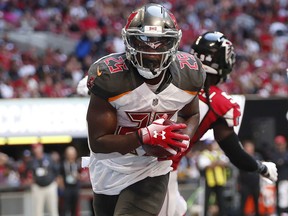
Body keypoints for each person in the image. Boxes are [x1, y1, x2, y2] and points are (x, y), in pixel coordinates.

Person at [85, 3, 206, 216]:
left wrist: (183, 138)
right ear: (127, 40)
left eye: (161, 42)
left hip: (152, 168)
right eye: (143, 40)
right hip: (110, 166)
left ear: (174, 42)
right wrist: (143, 136)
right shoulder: (110, 77)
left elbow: (192, 114)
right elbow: (98, 142)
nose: (151, 50)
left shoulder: (190, 74)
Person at [158, 31, 278, 216]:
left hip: (126, 157)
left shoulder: (164, 78)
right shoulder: (218, 102)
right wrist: (261, 167)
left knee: (179, 209)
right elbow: (235, 153)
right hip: (159, 170)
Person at [197, 140, 230, 216]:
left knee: (221, 202)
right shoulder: (204, 154)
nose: (212, 146)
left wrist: (215, 163)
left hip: (219, 181)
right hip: (209, 181)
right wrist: (217, 163)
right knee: (206, 201)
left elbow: (226, 163)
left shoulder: (218, 153)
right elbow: (204, 165)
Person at [27, 143, 60, 216]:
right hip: (37, 187)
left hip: (50, 185)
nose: (37, 150)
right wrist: (30, 179)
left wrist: (57, 182)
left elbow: (56, 170)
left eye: (38, 148)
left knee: (53, 210)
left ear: (41, 148)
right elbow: (28, 173)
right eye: (35, 148)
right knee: (37, 211)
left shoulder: (49, 158)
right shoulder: (32, 161)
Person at [237, 140, 262, 216]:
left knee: (256, 203)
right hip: (245, 184)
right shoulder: (241, 157)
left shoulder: (257, 156)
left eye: (250, 146)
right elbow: (238, 171)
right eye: (247, 147)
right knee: (243, 203)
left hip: (255, 183)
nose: (249, 148)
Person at [58, 146, 81, 216]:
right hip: (66, 188)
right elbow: (60, 176)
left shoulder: (78, 164)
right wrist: (62, 187)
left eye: (73, 154)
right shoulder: (63, 164)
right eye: (70, 154)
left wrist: (78, 176)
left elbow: (81, 175)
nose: (71, 156)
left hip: (75, 187)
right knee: (64, 207)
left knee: (74, 208)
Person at [271, 135, 288, 215]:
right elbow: (275, 163)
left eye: (281, 144)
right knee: (279, 198)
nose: (279, 146)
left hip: (286, 179)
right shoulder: (274, 155)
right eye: (278, 144)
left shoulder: (286, 154)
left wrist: (282, 161)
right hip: (278, 180)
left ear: (285, 144)